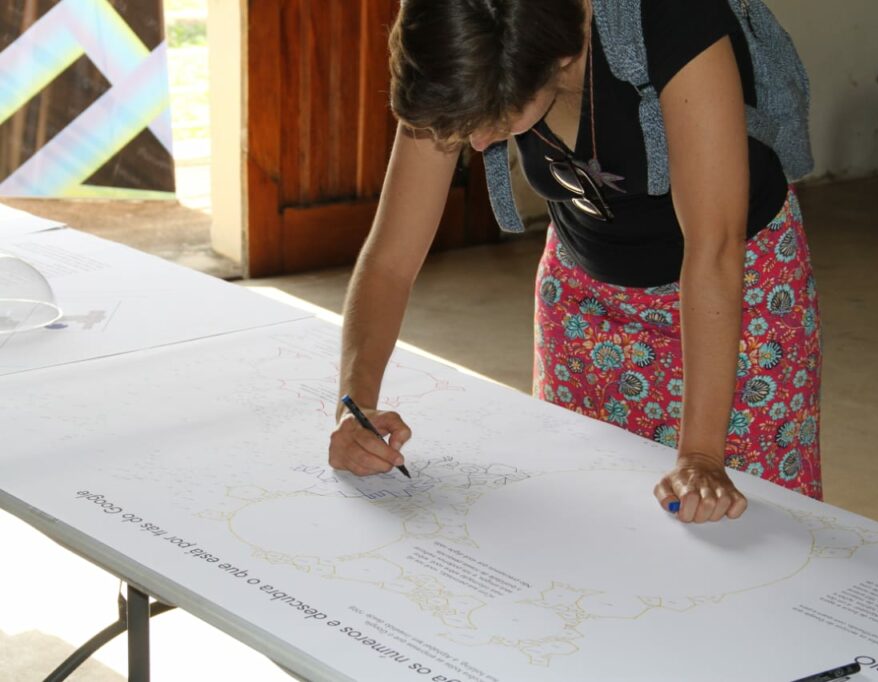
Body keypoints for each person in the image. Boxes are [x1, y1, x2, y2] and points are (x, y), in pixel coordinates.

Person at [328, 0, 822, 524]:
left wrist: (701, 456)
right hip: (583, 303)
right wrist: (354, 409)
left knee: (742, 527)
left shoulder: (668, 16)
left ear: (559, 57)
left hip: (734, 302)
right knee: (585, 518)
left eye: (496, 120)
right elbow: (391, 260)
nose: (477, 142)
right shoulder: (468, 27)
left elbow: (714, 248)